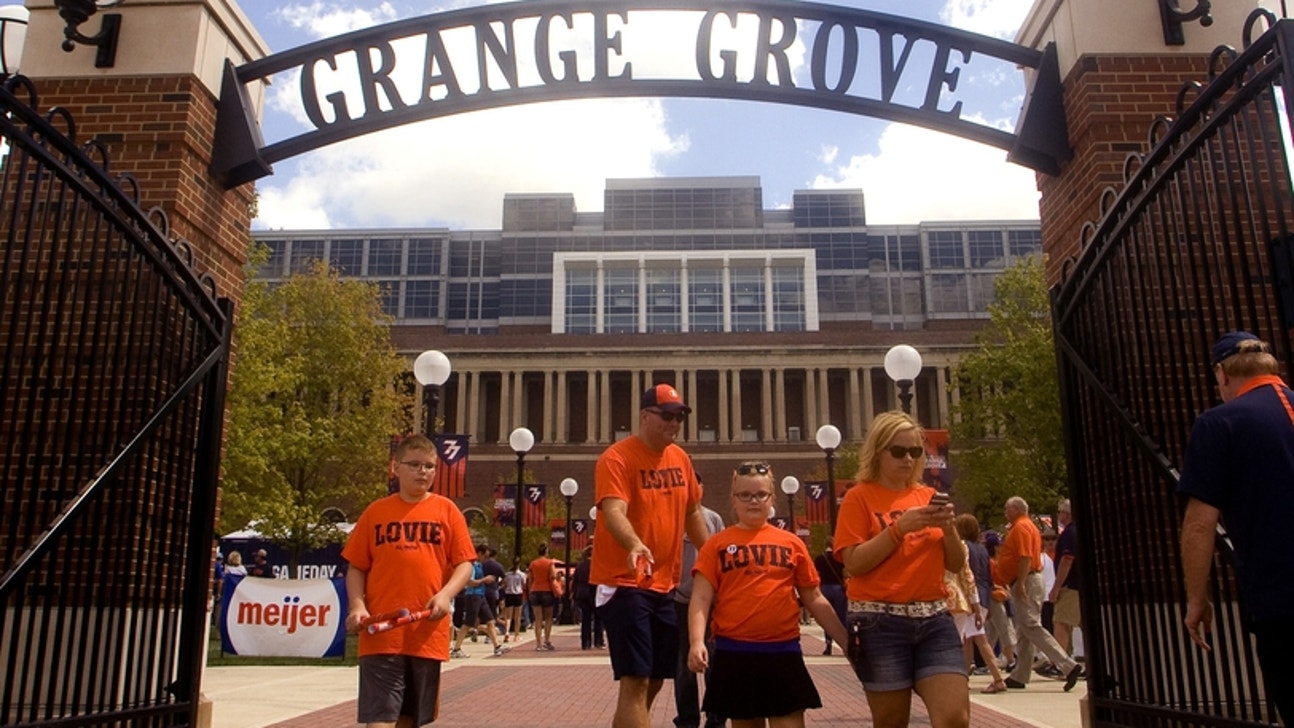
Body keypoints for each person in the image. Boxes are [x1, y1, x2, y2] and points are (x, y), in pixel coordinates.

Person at [1179, 331, 1294, 723]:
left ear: (1222, 375)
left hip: (1281, 597)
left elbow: (1199, 525)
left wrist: (1198, 598)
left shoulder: (1220, 423)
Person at [832, 410, 968, 728]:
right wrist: (898, 529)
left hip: (934, 618)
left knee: (954, 717)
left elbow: (956, 563)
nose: (908, 459)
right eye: (898, 451)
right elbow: (854, 562)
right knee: (892, 721)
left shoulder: (928, 496)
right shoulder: (858, 498)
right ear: (878, 452)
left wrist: (949, 530)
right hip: (880, 623)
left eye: (915, 451)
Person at [689, 461, 847, 728]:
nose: (753, 501)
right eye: (745, 495)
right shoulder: (716, 545)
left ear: (772, 499)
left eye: (761, 494)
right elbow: (701, 599)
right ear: (734, 500)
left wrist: (845, 641)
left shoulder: (791, 543)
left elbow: (814, 597)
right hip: (734, 651)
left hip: (782, 651)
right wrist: (696, 642)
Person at [591, 383, 709, 728]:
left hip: (664, 585)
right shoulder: (617, 458)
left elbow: (693, 513)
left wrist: (714, 554)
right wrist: (634, 545)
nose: (674, 423)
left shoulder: (680, 458)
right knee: (636, 679)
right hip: (624, 581)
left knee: (656, 678)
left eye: (680, 417)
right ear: (644, 416)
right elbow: (613, 510)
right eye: (667, 416)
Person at [342, 434, 476, 728]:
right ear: (395, 467)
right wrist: (357, 606)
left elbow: (464, 564)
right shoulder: (375, 512)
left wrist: (445, 595)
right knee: (380, 719)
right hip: (381, 633)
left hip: (425, 634)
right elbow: (355, 567)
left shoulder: (447, 511)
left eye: (429, 466)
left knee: (408, 720)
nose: (423, 472)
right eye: (414, 464)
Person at [996, 496, 1082, 692]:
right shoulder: (1024, 526)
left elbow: (1025, 556)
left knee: (1031, 625)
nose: (1005, 513)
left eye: (1007, 509)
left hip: (1026, 580)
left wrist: (1021, 584)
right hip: (1025, 579)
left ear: (1016, 509)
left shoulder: (1022, 527)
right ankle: (1020, 674)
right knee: (1024, 629)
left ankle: (1067, 665)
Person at [673, 500, 725, 728]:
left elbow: (720, 555)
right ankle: (687, 719)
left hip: (709, 600)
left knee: (713, 660)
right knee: (683, 666)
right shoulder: (671, 517)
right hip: (678, 599)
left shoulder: (712, 518)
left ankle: (716, 718)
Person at [952, 514, 1009, 694]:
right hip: (984, 595)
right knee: (971, 639)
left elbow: (966, 575)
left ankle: (997, 679)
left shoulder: (963, 547)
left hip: (971, 597)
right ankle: (965, 678)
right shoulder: (982, 549)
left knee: (977, 639)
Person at [451, 544, 509, 658]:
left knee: (490, 620)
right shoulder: (470, 566)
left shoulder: (479, 565)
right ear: (479, 554)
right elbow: (468, 582)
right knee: (468, 623)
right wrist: (484, 580)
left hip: (481, 596)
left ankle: (497, 646)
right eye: (485, 556)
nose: (485, 559)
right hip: (473, 596)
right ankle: (456, 648)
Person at [1048, 500, 1081, 661]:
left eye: (1060, 511)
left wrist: (1056, 587)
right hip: (1079, 585)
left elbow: (1067, 559)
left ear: (1066, 514)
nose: (1059, 514)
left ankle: (1060, 663)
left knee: (1061, 622)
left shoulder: (1068, 533)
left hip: (1070, 585)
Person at [813, 546, 848, 656]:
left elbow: (817, 574)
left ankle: (828, 644)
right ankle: (846, 643)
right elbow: (845, 572)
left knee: (827, 616)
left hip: (825, 588)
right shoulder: (839, 557)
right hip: (838, 589)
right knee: (841, 616)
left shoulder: (820, 558)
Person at [572, 544, 605, 649]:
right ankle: (598, 641)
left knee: (585, 619)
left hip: (582, 593)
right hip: (595, 592)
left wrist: (574, 593)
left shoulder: (580, 565)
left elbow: (575, 581)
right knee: (598, 618)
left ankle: (585, 643)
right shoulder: (598, 564)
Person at [527, 543, 558, 651]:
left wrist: (530, 590)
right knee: (548, 618)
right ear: (546, 551)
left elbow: (530, 579)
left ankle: (538, 644)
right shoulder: (550, 563)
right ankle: (547, 640)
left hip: (535, 590)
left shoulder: (533, 564)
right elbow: (553, 576)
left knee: (538, 619)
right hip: (547, 591)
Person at [502, 559, 527, 643]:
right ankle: (516, 635)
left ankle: (507, 632)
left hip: (509, 594)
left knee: (508, 616)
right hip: (518, 594)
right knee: (517, 617)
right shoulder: (522, 575)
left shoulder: (507, 574)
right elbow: (524, 585)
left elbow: (504, 584)